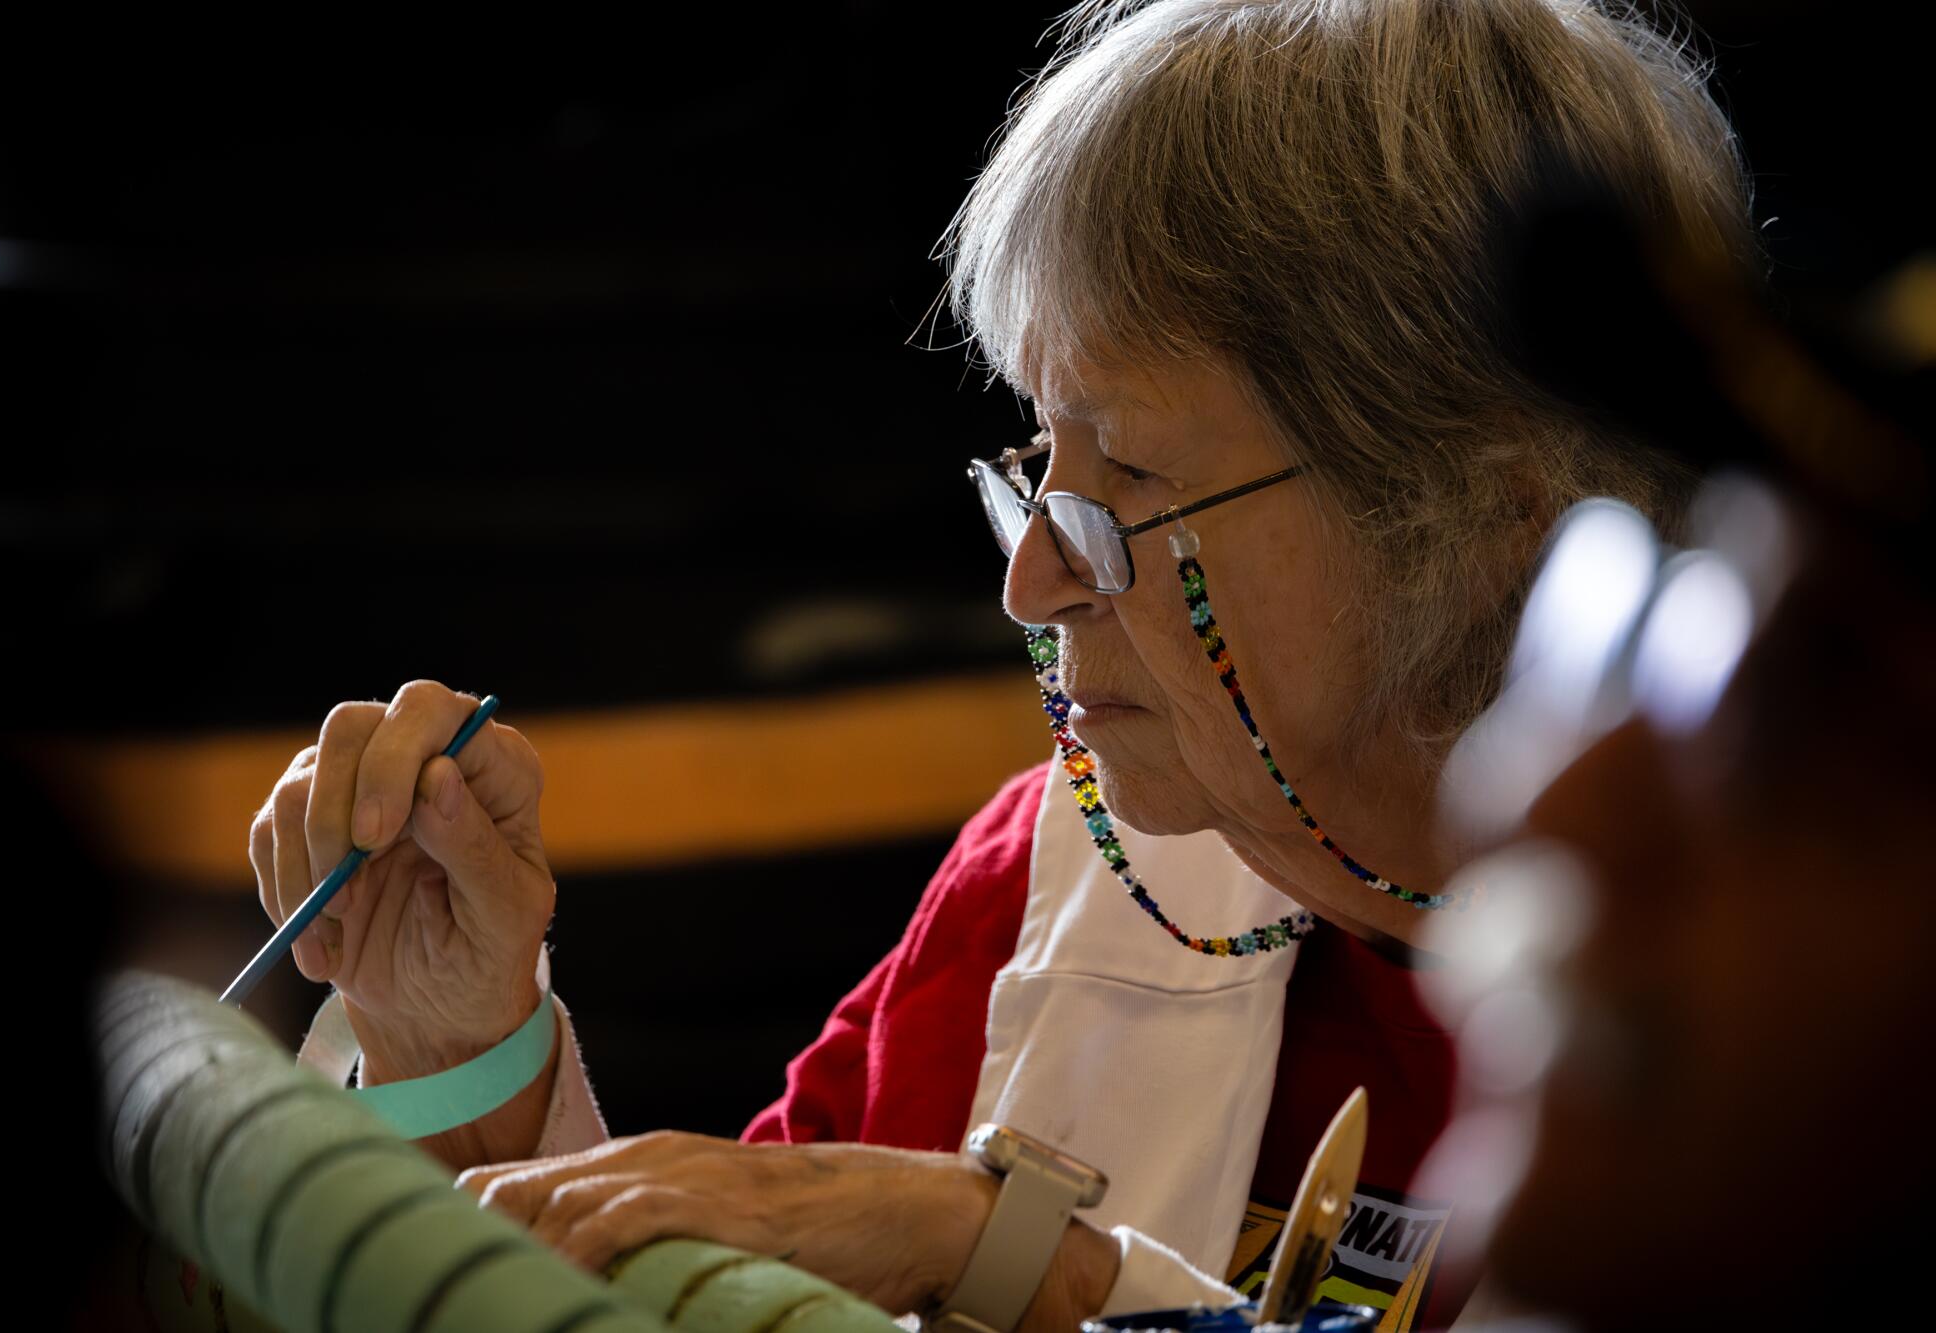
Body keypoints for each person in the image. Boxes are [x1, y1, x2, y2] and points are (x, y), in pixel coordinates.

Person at [250, 2, 1758, 1327]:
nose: (1034, 575)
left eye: (1133, 487)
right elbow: (687, 1288)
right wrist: (461, 1054)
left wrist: (1025, 1260)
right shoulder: (1046, 880)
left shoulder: (1780, 995)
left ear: (1482, 516)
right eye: (1037, 465)